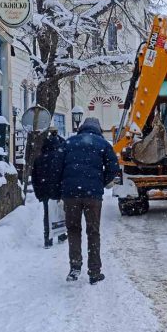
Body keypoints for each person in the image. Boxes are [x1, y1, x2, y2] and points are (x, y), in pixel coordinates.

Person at [59, 117, 120, 284]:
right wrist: (100, 182)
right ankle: (94, 272)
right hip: (93, 195)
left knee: (73, 229)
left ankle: (75, 267)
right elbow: (114, 167)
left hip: (71, 195)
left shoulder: (69, 143)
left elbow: (57, 166)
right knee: (93, 232)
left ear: (81, 128)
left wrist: (63, 185)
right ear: (98, 129)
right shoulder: (102, 144)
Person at [31, 128, 66, 249]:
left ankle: (48, 239)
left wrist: (38, 193)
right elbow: (64, 175)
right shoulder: (61, 158)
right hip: (58, 190)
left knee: (47, 214)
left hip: (45, 191)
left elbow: (34, 178)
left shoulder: (39, 159)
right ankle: (61, 235)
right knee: (60, 212)